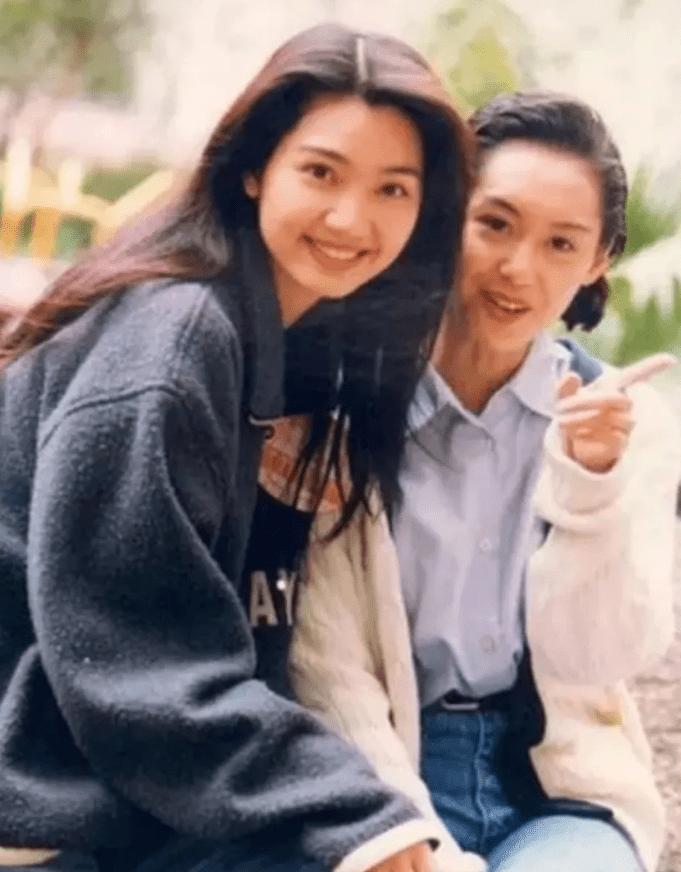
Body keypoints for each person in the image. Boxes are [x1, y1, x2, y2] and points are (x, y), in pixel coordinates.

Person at [0, 23, 476, 872]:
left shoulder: (295, 352)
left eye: (392, 189)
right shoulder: (175, 340)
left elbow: (257, 636)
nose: (350, 218)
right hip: (45, 800)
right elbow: (136, 663)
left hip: (132, 782)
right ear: (254, 169)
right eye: (320, 172)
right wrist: (352, 815)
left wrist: (373, 811)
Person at [287, 92, 681, 872]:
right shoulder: (340, 412)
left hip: (559, 789)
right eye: (494, 224)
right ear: (444, 217)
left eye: (561, 243)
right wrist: (402, 830)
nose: (517, 268)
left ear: (597, 260)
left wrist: (589, 483)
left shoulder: (629, 421)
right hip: (379, 768)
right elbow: (327, 667)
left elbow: (600, 657)